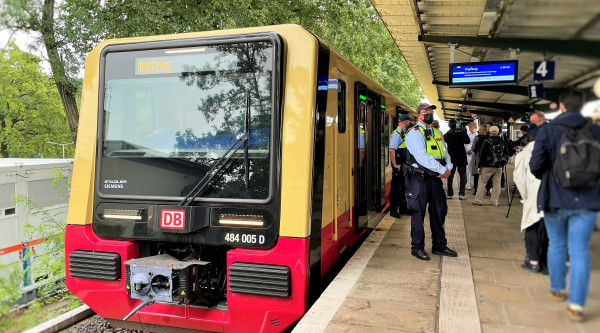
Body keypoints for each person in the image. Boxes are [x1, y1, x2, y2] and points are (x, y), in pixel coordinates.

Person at [530, 88, 600, 322]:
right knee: (580, 250)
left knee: (557, 244)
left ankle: (557, 288)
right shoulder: (596, 131)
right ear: (581, 106)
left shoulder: (547, 130)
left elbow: (535, 166)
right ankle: (577, 305)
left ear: (561, 106)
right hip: (587, 199)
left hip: (556, 198)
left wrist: (552, 176)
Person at [404, 103, 457, 261]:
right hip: (419, 178)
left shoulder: (436, 132)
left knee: (439, 211)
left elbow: (445, 153)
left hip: (435, 179)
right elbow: (422, 157)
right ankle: (417, 247)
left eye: (431, 112)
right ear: (418, 115)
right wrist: (443, 170)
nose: (429, 114)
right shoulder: (414, 133)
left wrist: (449, 166)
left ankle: (439, 245)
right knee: (418, 213)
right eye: (426, 112)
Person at [513, 136, 546, 273]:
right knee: (547, 228)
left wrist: (524, 195)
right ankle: (546, 262)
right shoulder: (550, 150)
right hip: (554, 195)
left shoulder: (523, 154)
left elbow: (519, 178)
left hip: (534, 194)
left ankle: (533, 261)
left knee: (532, 225)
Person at [473, 126, 509, 206]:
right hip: (499, 166)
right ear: (498, 132)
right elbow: (507, 153)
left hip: (487, 166)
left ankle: (478, 201)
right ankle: (494, 202)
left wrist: (479, 166)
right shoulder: (503, 142)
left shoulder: (487, 141)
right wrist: (505, 162)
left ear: (490, 132)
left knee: (482, 183)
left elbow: (482, 155)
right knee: (497, 184)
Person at [388, 114, 412, 217]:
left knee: (403, 187)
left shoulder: (403, 133)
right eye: (409, 121)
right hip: (398, 165)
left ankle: (403, 208)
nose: (410, 123)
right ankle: (393, 210)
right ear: (405, 121)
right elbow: (391, 150)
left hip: (403, 164)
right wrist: (395, 164)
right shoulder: (397, 134)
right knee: (396, 188)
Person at [444, 120, 470, 199]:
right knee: (462, 176)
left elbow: (446, 141)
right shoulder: (462, 133)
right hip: (461, 156)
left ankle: (449, 194)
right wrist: (464, 131)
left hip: (451, 157)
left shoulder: (446, 135)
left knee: (450, 176)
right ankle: (462, 194)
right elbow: (467, 141)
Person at [470, 124, 487, 196]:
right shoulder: (488, 138)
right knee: (486, 175)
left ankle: (476, 190)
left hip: (478, 157)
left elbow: (474, 148)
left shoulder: (477, 138)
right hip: (486, 158)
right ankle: (487, 190)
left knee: (476, 175)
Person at [465, 122, 477, 189]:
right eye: (475, 127)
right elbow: (464, 144)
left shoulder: (475, 134)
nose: (475, 128)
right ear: (471, 127)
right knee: (467, 168)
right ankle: (467, 183)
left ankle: (472, 183)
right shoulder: (466, 134)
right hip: (468, 153)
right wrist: (466, 150)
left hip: (474, 153)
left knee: (473, 169)